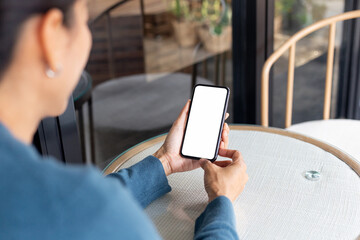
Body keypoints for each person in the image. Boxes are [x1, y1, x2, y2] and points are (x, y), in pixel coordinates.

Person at [0, 0, 249, 239]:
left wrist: (166, 161)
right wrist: (221, 199)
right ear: (51, 36)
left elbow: (88, 205)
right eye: (84, 21)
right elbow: (87, 210)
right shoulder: (73, 208)